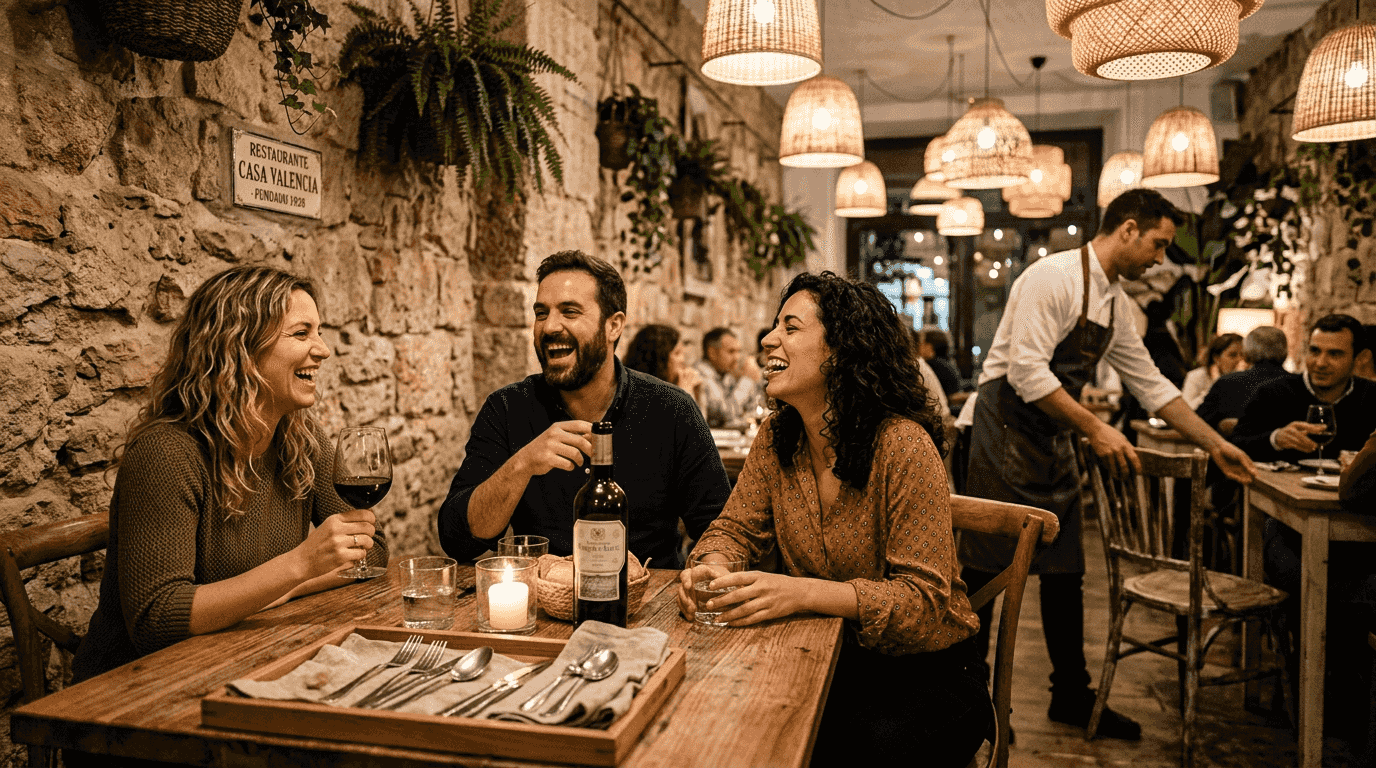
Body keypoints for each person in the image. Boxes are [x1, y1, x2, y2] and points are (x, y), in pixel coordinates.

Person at [960, 188, 1255, 740]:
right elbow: (1025, 373)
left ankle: (1070, 694)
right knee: (985, 572)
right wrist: (1094, 427)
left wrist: (1215, 444)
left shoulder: (1117, 305)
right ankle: (971, 703)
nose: (1161, 258)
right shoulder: (1053, 279)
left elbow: (1151, 386)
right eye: (1158, 244)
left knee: (1066, 572)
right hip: (1001, 434)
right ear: (1127, 229)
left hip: (1051, 439)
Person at [679, 272, 991, 767]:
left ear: (842, 351)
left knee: (810, 747)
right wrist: (712, 565)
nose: (768, 339)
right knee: (718, 717)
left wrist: (799, 593)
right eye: (775, 326)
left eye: (792, 327)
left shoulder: (902, 444)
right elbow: (734, 529)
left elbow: (924, 604)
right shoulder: (779, 437)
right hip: (827, 656)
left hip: (924, 674)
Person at [71, 266, 387, 684]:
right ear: (240, 349)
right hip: (134, 695)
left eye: (320, 332)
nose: (323, 349)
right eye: (301, 333)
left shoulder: (299, 438)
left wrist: (287, 586)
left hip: (244, 662)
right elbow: (157, 618)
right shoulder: (166, 452)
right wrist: (297, 566)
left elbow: (372, 553)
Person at [438, 251, 730, 569]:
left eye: (569, 312)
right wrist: (522, 464)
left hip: (647, 605)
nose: (549, 326)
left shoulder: (671, 409)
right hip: (542, 603)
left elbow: (719, 530)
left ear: (613, 326)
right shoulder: (508, 408)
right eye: (541, 313)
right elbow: (458, 541)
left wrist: (710, 570)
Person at [1231, 314, 1376, 464]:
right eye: (1315, 351)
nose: (1320, 363)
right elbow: (1235, 446)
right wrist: (1275, 439)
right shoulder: (1273, 393)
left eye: (1334, 354)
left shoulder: (1371, 396)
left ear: (1361, 358)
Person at [1196, 325, 1290, 436]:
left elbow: (1196, 424)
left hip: (1235, 452)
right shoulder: (1299, 385)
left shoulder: (1227, 384)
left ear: (1247, 352)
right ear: (1285, 351)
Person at [694, 327, 763, 430]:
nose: (737, 358)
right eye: (731, 352)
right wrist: (746, 382)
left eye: (738, 351)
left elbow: (754, 409)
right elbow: (726, 416)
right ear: (712, 353)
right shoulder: (699, 377)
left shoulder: (726, 375)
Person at [623, 323, 702, 400]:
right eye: (677, 353)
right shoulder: (637, 394)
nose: (682, 359)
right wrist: (683, 394)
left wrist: (700, 396)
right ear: (659, 360)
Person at [1180, 332, 1243, 408]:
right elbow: (1187, 409)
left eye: (1242, 355)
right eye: (1233, 355)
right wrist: (1215, 388)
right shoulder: (1196, 376)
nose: (1239, 360)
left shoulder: (1241, 377)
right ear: (1216, 358)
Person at [920, 327, 964, 398]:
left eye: (923, 343)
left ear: (929, 346)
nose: (920, 346)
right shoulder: (947, 363)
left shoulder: (933, 365)